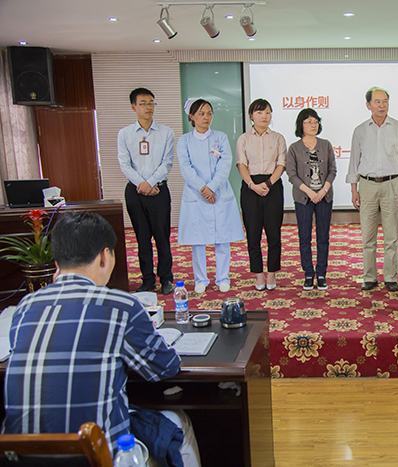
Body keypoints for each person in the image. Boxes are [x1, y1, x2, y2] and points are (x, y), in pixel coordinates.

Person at [2, 212, 201, 466]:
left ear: (57, 263)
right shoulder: (120, 305)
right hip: (96, 456)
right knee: (179, 422)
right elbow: (166, 368)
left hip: (22, 458)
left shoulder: (26, 306)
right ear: (104, 257)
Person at [346, 86, 398, 292]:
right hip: (366, 185)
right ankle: (369, 277)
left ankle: (391, 277)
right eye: (377, 101)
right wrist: (354, 190)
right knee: (368, 236)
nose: (382, 105)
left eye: (385, 101)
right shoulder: (360, 130)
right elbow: (354, 162)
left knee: (392, 236)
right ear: (368, 105)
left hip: (392, 184)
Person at [177, 99, 244, 294]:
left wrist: (212, 188)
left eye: (209, 113)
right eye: (201, 113)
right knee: (198, 239)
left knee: (222, 237)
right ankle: (201, 278)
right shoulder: (184, 141)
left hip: (219, 192)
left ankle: (223, 277)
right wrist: (203, 189)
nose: (206, 117)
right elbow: (186, 168)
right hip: (195, 194)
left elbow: (225, 164)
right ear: (191, 116)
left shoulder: (220, 137)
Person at [117, 87, 175, 295]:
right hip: (135, 192)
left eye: (151, 103)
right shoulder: (125, 134)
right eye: (143, 103)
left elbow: (167, 163)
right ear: (134, 107)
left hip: (159, 190)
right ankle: (147, 279)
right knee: (142, 238)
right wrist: (141, 184)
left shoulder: (166, 132)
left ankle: (166, 278)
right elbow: (124, 164)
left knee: (162, 237)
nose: (148, 107)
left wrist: (150, 183)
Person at [236, 98, 287, 291]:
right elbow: (241, 164)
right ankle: (258, 274)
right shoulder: (243, 139)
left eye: (267, 112)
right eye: (259, 112)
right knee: (253, 233)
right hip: (250, 188)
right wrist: (252, 185)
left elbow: (281, 164)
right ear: (251, 116)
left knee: (274, 233)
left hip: (273, 186)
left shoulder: (278, 138)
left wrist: (268, 183)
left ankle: (272, 273)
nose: (264, 116)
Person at [286, 108, 336, 291]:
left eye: (316, 121)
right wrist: (309, 192)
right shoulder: (294, 148)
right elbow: (291, 174)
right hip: (303, 198)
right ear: (301, 125)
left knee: (323, 237)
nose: (313, 125)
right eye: (309, 122)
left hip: (324, 196)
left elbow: (332, 170)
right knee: (304, 237)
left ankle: (321, 273)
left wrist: (323, 190)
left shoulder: (326, 145)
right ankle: (308, 273)